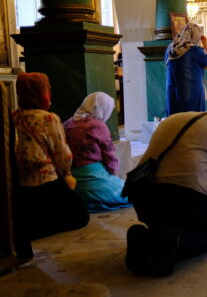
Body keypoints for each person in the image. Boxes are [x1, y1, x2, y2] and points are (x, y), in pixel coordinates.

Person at [126, 112, 207, 276]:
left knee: (169, 225)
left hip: (142, 192)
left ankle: (143, 237)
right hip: (186, 192)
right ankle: (176, 240)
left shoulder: (172, 118)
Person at [12, 73, 89, 240]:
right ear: (43, 92)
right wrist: (67, 173)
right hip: (47, 182)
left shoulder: (14, 117)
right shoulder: (48, 118)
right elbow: (62, 153)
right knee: (80, 216)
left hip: (21, 185)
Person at [63, 92, 130, 212]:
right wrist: (113, 178)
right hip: (95, 180)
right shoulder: (98, 126)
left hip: (72, 182)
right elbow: (110, 157)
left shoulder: (67, 123)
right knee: (132, 192)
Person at [165, 23, 207, 116]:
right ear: (196, 35)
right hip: (191, 93)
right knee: (192, 120)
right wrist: (205, 45)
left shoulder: (170, 49)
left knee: (176, 120)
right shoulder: (194, 50)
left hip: (173, 93)